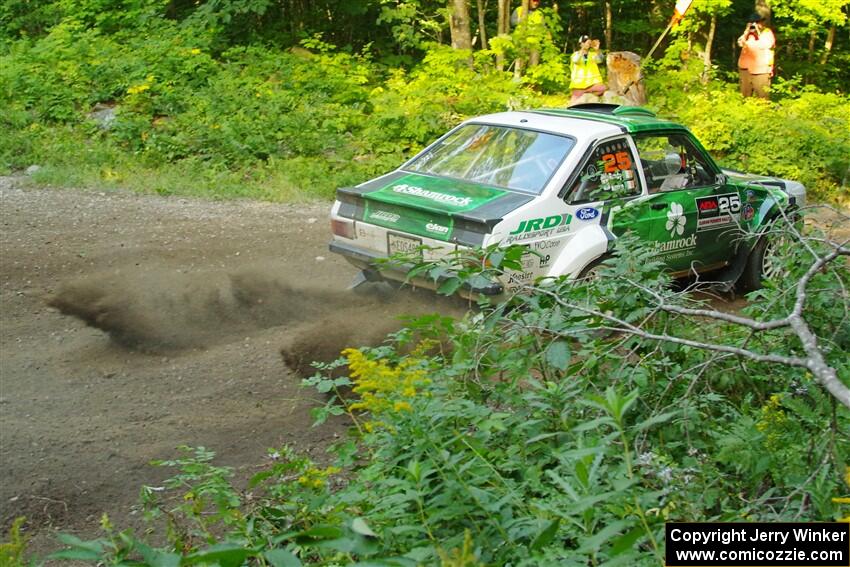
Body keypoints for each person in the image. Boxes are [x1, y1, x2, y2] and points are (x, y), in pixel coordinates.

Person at [737, 13, 775, 99]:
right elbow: (740, 43)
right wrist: (746, 32)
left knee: (762, 96)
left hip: (761, 70)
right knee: (745, 95)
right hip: (745, 68)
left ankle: (763, 112)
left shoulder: (767, 32)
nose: (756, 25)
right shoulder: (748, 34)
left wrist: (758, 32)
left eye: (758, 22)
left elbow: (767, 44)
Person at [569, 35, 606, 102]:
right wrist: (582, 50)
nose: (587, 44)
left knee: (603, 88)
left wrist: (597, 50)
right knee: (574, 104)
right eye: (585, 42)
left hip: (592, 84)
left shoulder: (592, 54)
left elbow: (600, 60)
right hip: (578, 85)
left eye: (588, 43)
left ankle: (587, 95)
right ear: (580, 44)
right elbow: (576, 60)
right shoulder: (575, 54)